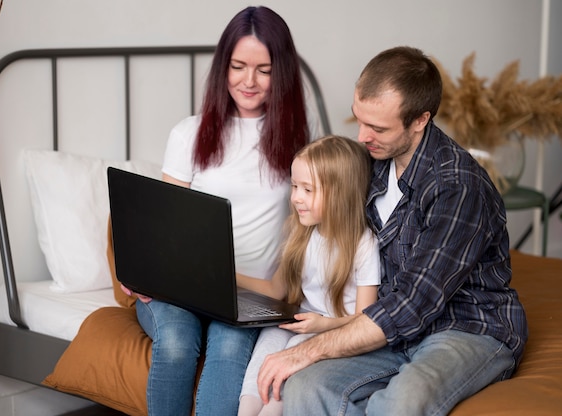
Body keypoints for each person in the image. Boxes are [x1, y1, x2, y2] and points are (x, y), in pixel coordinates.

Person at [255, 46, 529, 416]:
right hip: (392, 327)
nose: (363, 137)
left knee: (400, 403)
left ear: (420, 120)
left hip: (466, 327)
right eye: (359, 120)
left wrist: (311, 348)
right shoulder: (373, 162)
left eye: (378, 128)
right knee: (305, 387)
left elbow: (413, 304)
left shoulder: (458, 187)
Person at [120, 6, 315, 416]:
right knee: (175, 345)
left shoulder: (300, 140)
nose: (249, 81)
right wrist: (142, 272)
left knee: (227, 351)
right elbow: (165, 225)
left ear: (282, 73)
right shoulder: (188, 133)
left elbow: (306, 229)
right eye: (238, 66)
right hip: (179, 289)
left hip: (249, 295)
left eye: (263, 69)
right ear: (222, 67)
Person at [236, 135, 381, 416]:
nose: (296, 198)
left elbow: (367, 318)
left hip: (333, 330)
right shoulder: (301, 232)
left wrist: (323, 325)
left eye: (308, 190)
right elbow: (276, 289)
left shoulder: (364, 244)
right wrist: (230, 276)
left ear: (340, 194)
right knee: (262, 364)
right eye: (294, 186)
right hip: (300, 321)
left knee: (280, 378)